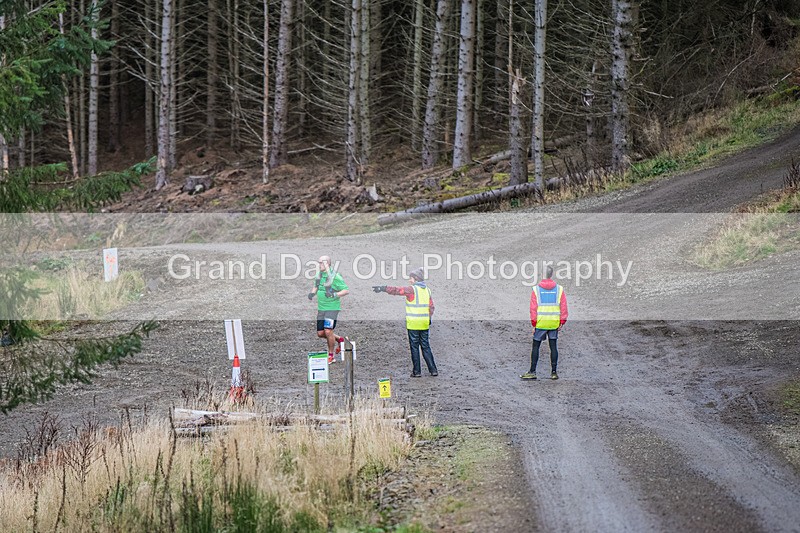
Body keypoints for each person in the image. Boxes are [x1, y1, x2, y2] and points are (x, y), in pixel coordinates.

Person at [373, 267, 438, 377]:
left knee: (414, 347)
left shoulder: (412, 290)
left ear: (416, 279)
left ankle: (417, 371)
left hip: (413, 323)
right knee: (426, 346)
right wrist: (429, 318)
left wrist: (383, 288)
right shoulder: (427, 290)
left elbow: (397, 290)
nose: (409, 280)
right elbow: (431, 307)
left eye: (411, 278)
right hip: (424, 323)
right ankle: (433, 370)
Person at [521, 265, 568, 381]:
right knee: (553, 347)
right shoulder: (559, 289)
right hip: (553, 323)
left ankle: (532, 371)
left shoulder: (536, 290)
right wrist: (562, 321)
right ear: (551, 275)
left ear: (542, 275)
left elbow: (533, 309)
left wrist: (534, 324)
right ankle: (554, 372)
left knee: (536, 346)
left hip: (541, 323)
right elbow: (563, 307)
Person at [308, 255, 349, 363]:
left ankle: (331, 356)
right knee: (321, 333)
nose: (319, 264)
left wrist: (334, 295)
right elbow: (316, 286)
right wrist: (312, 293)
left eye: (321, 262)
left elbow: (345, 290)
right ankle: (340, 340)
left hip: (332, 308)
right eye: (319, 262)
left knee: (328, 330)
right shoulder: (319, 275)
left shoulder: (335, 276)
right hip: (321, 308)